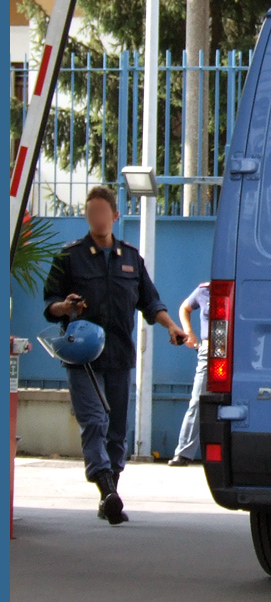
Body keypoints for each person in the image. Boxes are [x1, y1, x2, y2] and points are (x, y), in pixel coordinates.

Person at [42, 186, 189, 524]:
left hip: (120, 355)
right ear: (87, 216)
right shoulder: (69, 256)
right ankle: (108, 490)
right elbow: (50, 304)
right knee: (94, 421)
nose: (97, 218)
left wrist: (170, 326)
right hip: (82, 356)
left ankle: (110, 490)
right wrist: (65, 306)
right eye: (91, 212)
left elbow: (150, 302)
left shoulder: (131, 258)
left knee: (117, 430)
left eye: (102, 212)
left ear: (114, 216)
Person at [169, 282, 210, 466]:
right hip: (210, 351)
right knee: (197, 400)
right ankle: (184, 452)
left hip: (242, 351)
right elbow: (185, 308)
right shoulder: (205, 290)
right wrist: (189, 333)